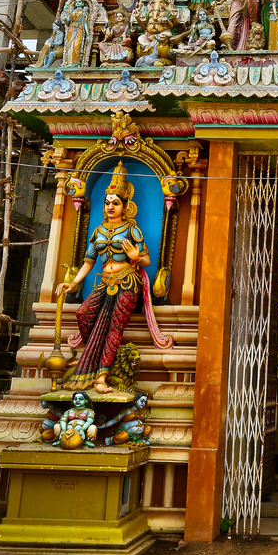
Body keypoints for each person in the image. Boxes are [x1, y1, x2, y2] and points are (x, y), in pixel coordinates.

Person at [56, 163, 171, 393]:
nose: (110, 207)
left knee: (115, 327)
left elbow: (146, 260)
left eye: (115, 203)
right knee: (83, 313)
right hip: (104, 281)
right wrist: (73, 283)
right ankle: (94, 355)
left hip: (128, 281)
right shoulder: (98, 232)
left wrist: (136, 257)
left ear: (125, 207)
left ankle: (101, 376)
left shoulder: (131, 229)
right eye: (107, 202)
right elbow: (89, 262)